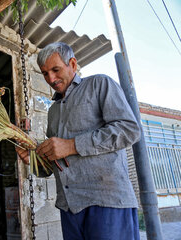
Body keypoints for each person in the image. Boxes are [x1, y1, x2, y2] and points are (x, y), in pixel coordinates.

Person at [16, 42, 141, 240]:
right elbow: (55, 164)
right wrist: (34, 161)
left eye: (55, 70)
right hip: (70, 207)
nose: (51, 78)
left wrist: (72, 145)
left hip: (106, 202)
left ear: (72, 64)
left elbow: (129, 130)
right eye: (45, 73)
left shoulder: (99, 84)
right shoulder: (53, 111)